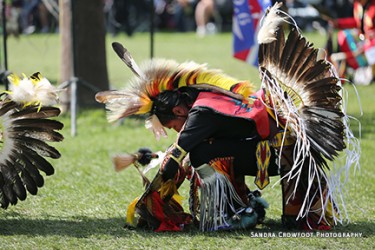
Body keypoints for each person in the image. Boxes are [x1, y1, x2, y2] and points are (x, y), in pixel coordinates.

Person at [97, 3, 359, 232]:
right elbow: (176, 153)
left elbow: (176, 157)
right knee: (201, 151)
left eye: (173, 125)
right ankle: (242, 206)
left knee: (201, 153)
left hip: (284, 154)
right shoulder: (207, 99)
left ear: (178, 111)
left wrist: (150, 203)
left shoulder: (201, 113)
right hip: (283, 150)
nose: (177, 129)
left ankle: (230, 212)